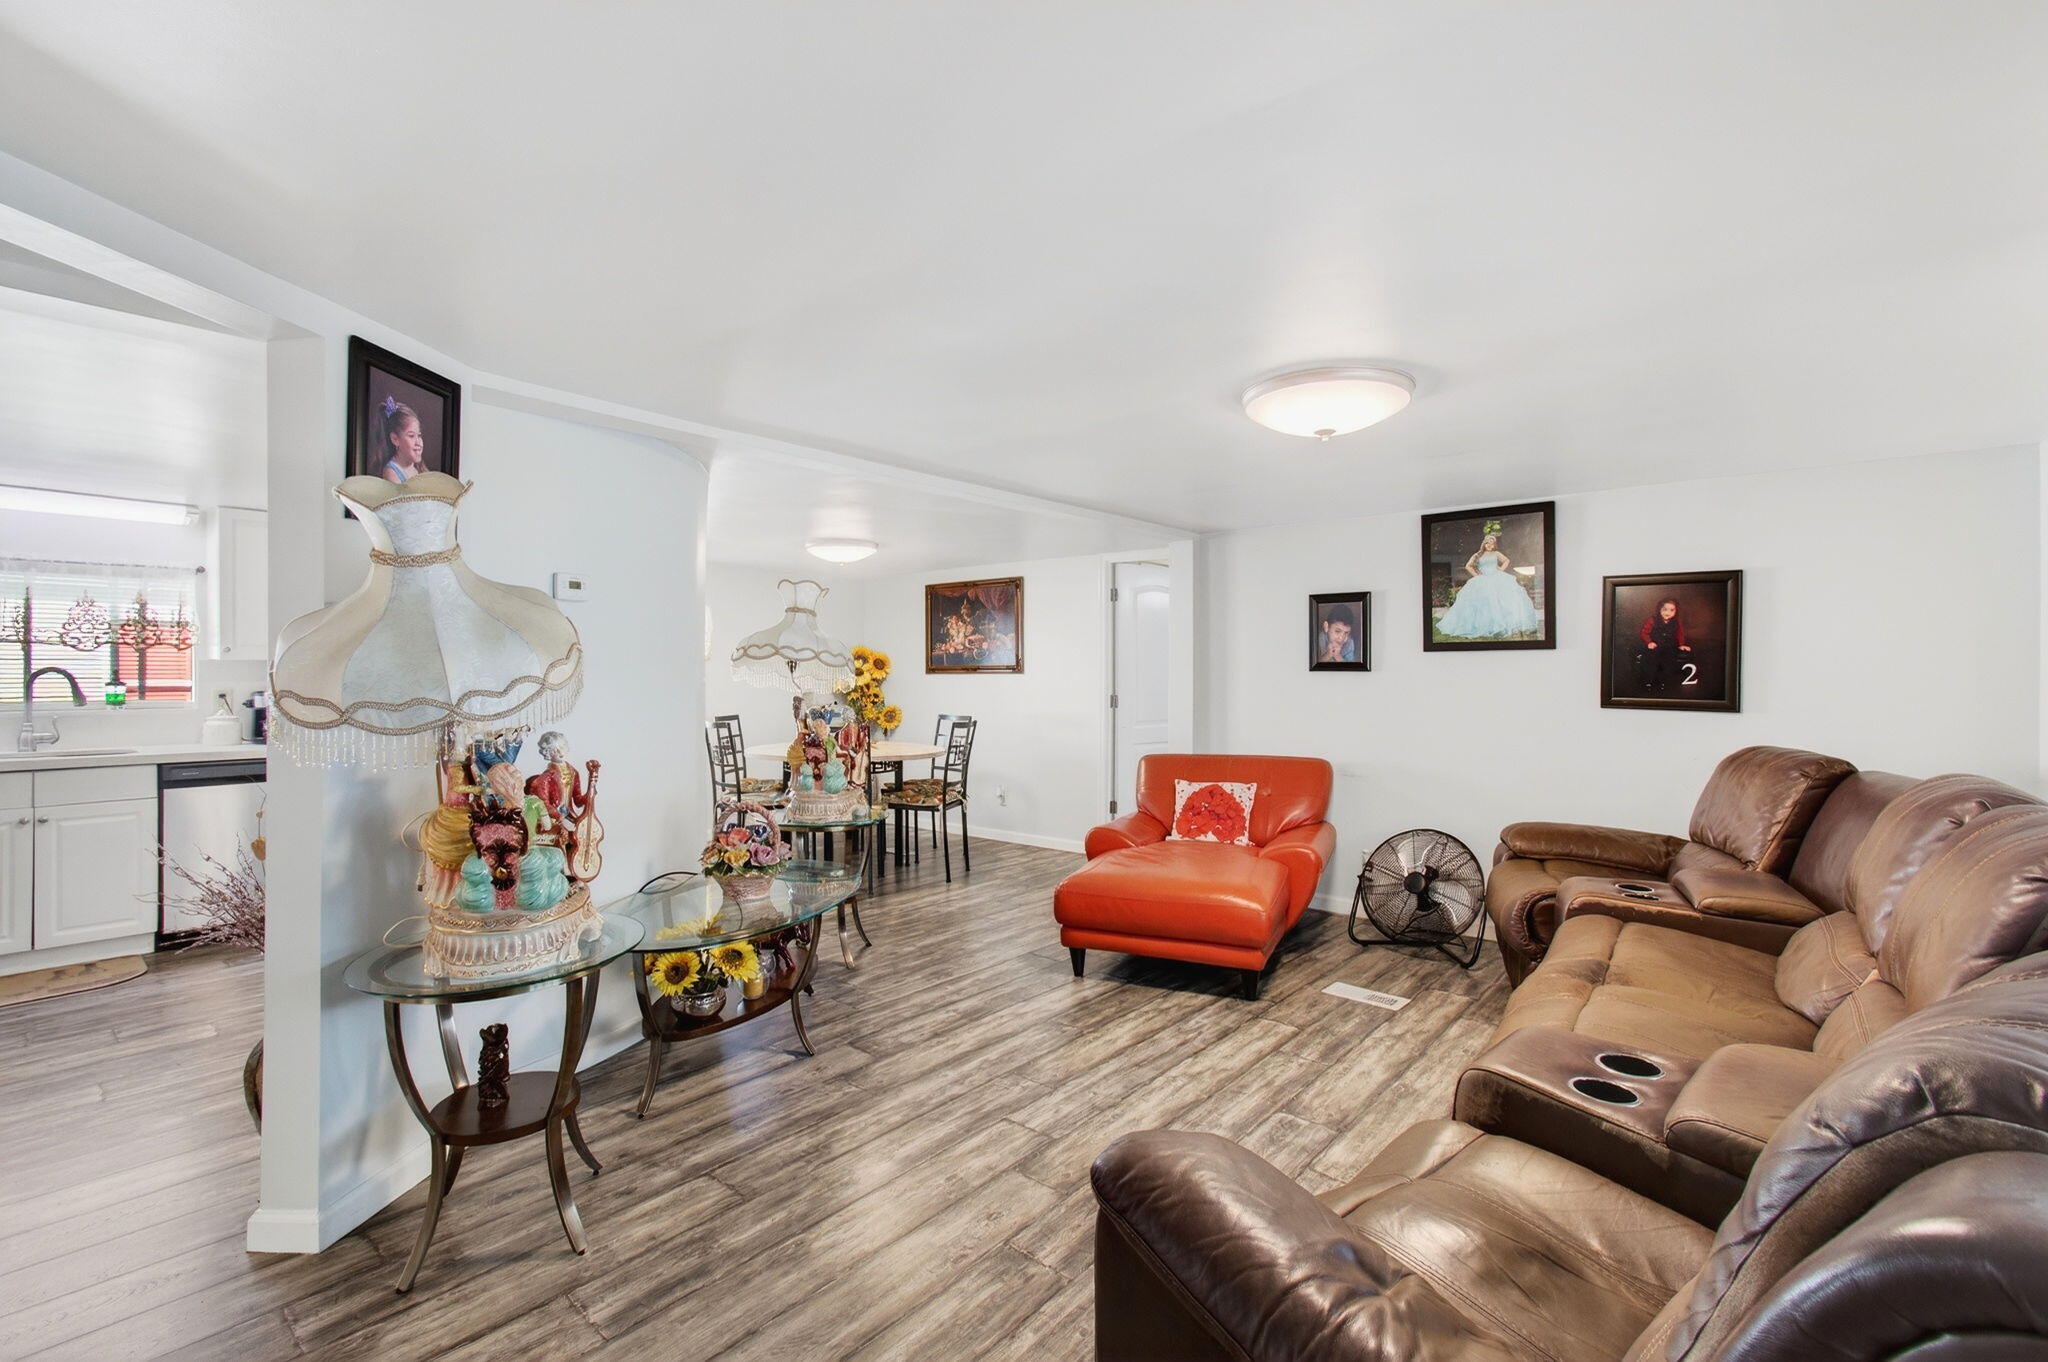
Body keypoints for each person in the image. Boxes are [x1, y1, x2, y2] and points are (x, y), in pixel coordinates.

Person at [1434, 532, 1540, 638]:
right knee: (1483, 603)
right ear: (1484, 544)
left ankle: (1501, 626)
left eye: (1492, 543)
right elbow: (1468, 566)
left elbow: (1506, 560)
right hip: (1483, 579)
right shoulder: (1478, 555)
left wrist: (1501, 569)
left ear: (1494, 545)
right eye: (1487, 543)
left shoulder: (1496, 554)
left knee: (1500, 601)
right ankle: (1483, 625)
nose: (1489, 545)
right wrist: (1476, 575)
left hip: (1497, 578)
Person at [1636, 597, 1692, 692]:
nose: (1668, 612)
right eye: (1665, 609)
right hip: (1655, 645)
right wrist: (1649, 642)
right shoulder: (1652, 620)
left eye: (1672, 610)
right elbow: (1644, 632)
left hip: (1669, 647)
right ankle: (1649, 681)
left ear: (1676, 612)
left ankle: (1664, 681)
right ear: (1659, 610)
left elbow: (1680, 634)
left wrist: (1681, 644)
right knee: (1651, 660)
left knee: (1668, 662)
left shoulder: (1676, 622)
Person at [376, 394, 428, 483]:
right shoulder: (391, 472)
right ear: (395, 439)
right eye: (411, 436)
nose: (418, 443)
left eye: (419, 435)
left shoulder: (419, 469)